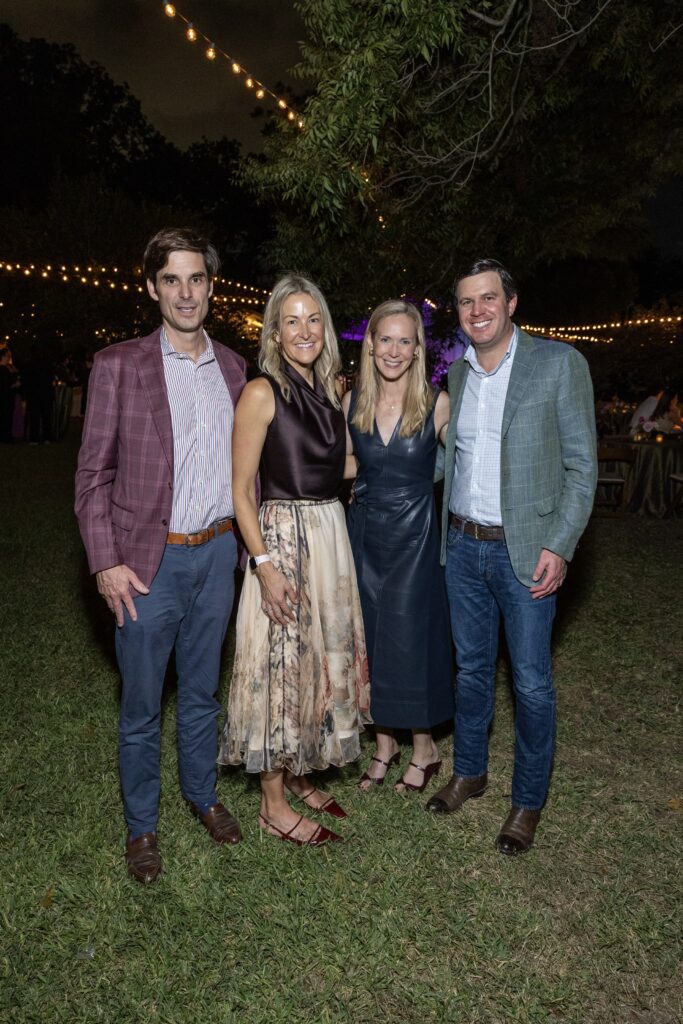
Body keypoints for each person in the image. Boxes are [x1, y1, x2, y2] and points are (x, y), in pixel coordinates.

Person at [75, 228, 247, 884]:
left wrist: (249, 552)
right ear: (151, 287)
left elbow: (247, 470)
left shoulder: (234, 368)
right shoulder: (118, 365)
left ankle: (202, 795)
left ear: (211, 285)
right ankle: (141, 826)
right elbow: (92, 474)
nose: (185, 292)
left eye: (196, 278)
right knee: (143, 704)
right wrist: (105, 561)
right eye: (171, 279)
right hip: (148, 565)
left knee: (202, 692)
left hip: (218, 553)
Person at [426, 259, 597, 855]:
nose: (477, 311)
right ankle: (470, 772)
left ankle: (527, 800)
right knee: (471, 671)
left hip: (525, 552)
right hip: (462, 548)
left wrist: (560, 543)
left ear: (511, 302)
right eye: (466, 301)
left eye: (489, 298)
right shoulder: (457, 375)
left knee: (530, 683)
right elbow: (448, 457)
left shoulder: (558, 364)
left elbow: (582, 467)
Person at [219, 274, 370, 846]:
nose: (304, 331)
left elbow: (336, 467)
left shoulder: (330, 391)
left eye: (313, 320)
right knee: (280, 664)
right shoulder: (262, 392)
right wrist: (264, 565)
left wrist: (398, 457)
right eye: (292, 321)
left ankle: (302, 770)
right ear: (275, 333)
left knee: (318, 658)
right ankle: (273, 804)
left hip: (329, 533)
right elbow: (240, 490)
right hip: (282, 539)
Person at [343, 300, 453, 793]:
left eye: (404, 340)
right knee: (369, 638)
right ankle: (384, 744)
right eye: (384, 339)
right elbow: (347, 463)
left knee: (409, 639)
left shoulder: (437, 403)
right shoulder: (353, 402)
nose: (393, 350)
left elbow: (461, 456)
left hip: (415, 536)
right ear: (370, 345)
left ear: (417, 349)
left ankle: (425, 748)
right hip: (364, 533)